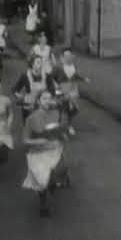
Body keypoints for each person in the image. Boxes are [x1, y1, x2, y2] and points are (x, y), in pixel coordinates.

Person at [22, 90, 70, 218]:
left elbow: (60, 132)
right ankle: (43, 205)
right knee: (42, 181)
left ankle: (54, 184)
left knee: (61, 171)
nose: (47, 101)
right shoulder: (31, 118)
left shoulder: (56, 113)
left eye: (49, 98)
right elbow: (25, 140)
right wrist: (40, 141)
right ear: (38, 101)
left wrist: (64, 134)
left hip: (54, 150)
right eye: (44, 98)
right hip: (38, 153)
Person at [51, 48, 90, 136]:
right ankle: (61, 127)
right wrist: (55, 85)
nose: (69, 57)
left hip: (73, 89)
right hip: (62, 89)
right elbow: (50, 78)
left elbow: (76, 75)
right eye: (66, 56)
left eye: (70, 55)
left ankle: (69, 124)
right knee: (62, 108)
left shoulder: (74, 66)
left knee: (74, 109)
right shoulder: (58, 67)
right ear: (63, 57)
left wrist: (84, 79)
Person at [13, 55, 56, 123]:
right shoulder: (25, 76)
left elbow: (52, 89)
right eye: (38, 62)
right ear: (32, 64)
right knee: (28, 124)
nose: (41, 64)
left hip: (43, 105)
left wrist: (48, 96)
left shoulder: (47, 76)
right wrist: (19, 96)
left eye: (41, 62)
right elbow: (15, 89)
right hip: (29, 105)